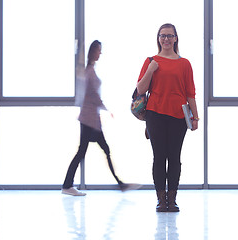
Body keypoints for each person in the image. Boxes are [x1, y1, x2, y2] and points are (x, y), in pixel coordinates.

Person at [62, 40, 140, 196]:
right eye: (99, 50)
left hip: (92, 119)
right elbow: (92, 94)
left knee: (99, 150)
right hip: (88, 119)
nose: (100, 53)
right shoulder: (89, 71)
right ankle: (67, 185)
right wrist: (105, 108)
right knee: (86, 151)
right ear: (93, 52)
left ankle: (120, 184)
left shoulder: (90, 70)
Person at [137, 23, 199, 212]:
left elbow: (190, 93)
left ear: (175, 38)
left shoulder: (184, 63)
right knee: (159, 157)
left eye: (169, 36)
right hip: (155, 115)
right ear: (158, 38)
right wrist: (151, 70)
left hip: (178, 117)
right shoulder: (151, 61)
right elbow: (140, 89)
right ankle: (160, 200)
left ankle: (172, 200)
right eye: (162, 36)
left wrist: (195, 117)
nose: (166, 39)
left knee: (174, 158)